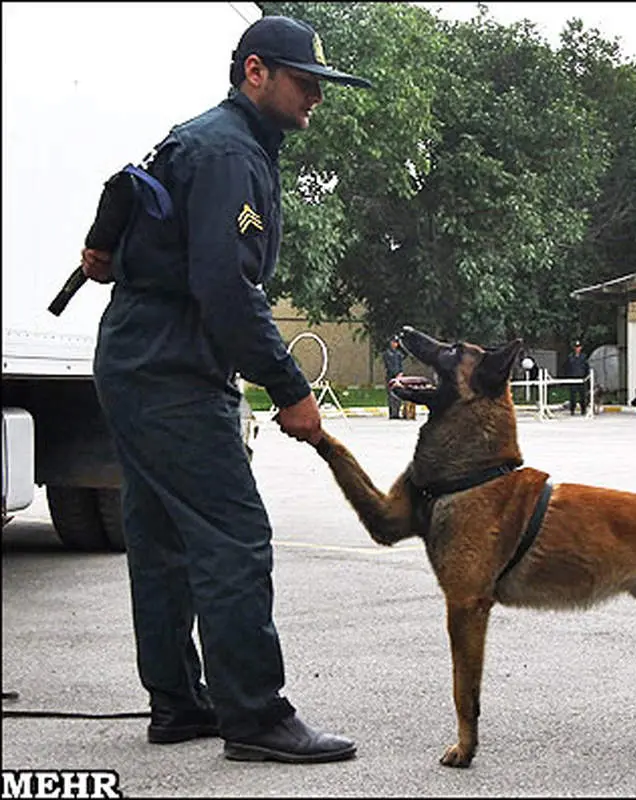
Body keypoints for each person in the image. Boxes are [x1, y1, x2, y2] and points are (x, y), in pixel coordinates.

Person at [80, 15, 370, 764]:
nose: (316, 97)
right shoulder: (228, 153)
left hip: (140, 356)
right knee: (234, 537)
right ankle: (255, 716)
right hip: (173, 364)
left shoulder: (209, 141)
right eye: (305, 83)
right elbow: (226, 287)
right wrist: (290, 386)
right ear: (254, 73)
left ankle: (178, 704)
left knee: (164, 539)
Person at [382, 335, 406, 420]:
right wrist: (395, 374)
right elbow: (389, 366)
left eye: (396, 342)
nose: (395, 344)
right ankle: (392, 413)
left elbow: (400, 365)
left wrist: (400, 373)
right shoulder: (387, 354)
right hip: (391, 376)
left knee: (398, 395)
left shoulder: (398, 354)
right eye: (393, 342)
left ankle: (397, 412)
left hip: (398, 377)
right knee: (391, 395)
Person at [563, 340, 589, 416]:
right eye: (576, 347)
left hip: (582, 378)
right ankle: (572, 409)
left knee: (582, 395)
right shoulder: (570, 357)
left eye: (579, 347)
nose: (577, 349)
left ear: (581, 348)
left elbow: (586, 367)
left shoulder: (584, 357)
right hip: (573, 378)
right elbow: (567, 367)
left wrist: (586, 376)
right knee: (573, 396)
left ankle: (583, 409)